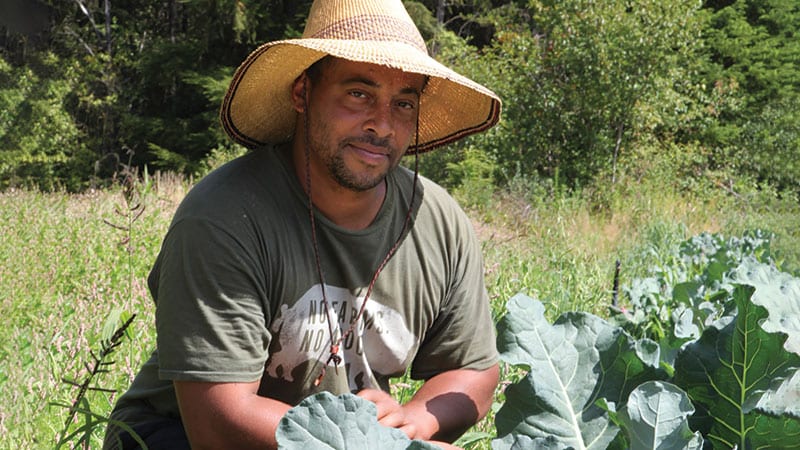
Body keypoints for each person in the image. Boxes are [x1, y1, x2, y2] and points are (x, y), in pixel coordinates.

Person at [103, 0, 502, 448]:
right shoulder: (224, 217)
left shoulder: (436, 222)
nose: (383, 125)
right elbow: (218, 420)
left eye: (404, 103)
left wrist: (416, 423)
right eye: (359, 94)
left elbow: (474, 370)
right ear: (302, 94)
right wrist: (368, 444)